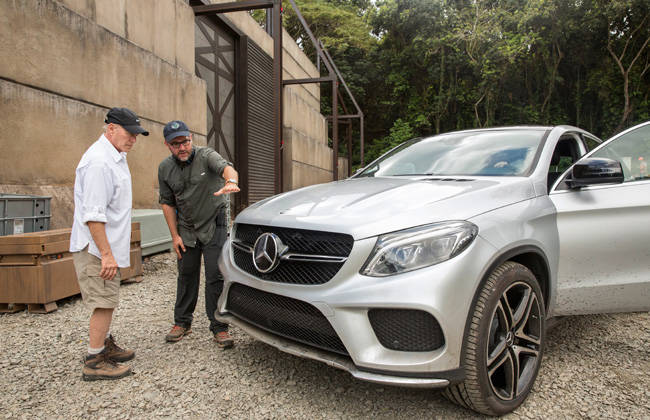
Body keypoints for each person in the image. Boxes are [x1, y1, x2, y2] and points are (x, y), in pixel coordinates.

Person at [70, 107, 149, 381]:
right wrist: (105, 254)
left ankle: (104, 345)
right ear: (111, 128)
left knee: (108, 299)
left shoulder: (114, 155)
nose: (134, 140)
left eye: (137, 135)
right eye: (130, 133)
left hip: (106, 247)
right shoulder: (99, 162)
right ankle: (94, 360)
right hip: (96, 248)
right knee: (103, 302)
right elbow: (93, 215)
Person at [158, 120, 240, 348]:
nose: (182, 147)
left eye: (184, 141)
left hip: (215, 223)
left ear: (191, 138)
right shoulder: (165, 169)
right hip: (187, 228)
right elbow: (167, 203)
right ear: (167, 145)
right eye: (175, 144)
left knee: (215, 275)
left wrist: (231, 181)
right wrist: (174, 236)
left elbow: (227, 168)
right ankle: (182, 322)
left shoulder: (207, 156)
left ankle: (219, 327)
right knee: (186, 274)